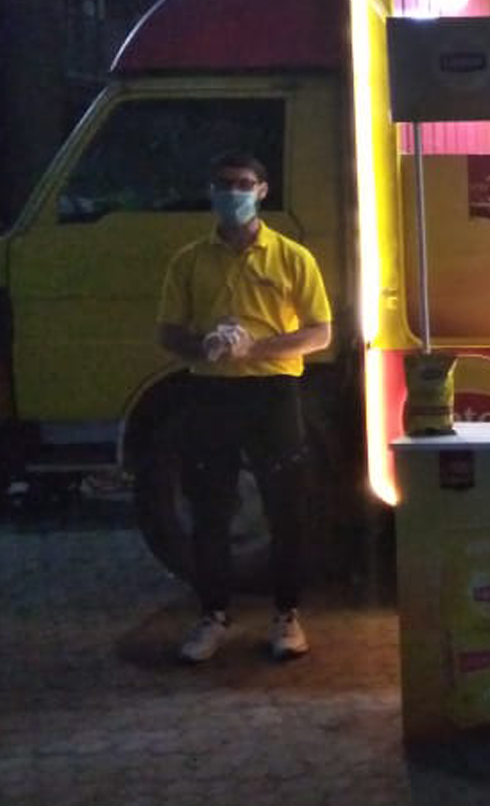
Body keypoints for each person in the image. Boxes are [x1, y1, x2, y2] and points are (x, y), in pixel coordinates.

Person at [156, 152, 332, 664]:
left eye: (243, 184)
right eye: (223, 184)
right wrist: (204, 346)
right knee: (210, 508)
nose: (232, 192)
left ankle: (287, 616)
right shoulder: (189, 260)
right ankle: (212, 616)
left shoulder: (292, 257)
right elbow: (167, 332)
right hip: (211, 393)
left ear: (262, 191)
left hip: (273, 392)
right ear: (210, 191)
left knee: (287, 506)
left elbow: (320, 333)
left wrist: (257, 348)